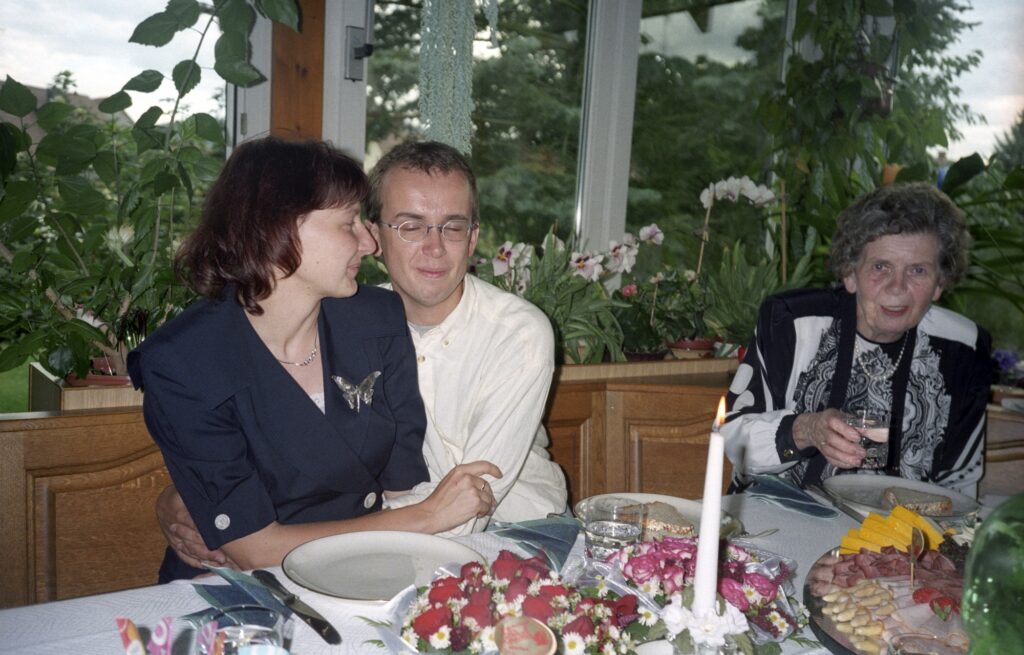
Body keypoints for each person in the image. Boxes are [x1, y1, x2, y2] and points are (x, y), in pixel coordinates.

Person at [131, 137, 499, 581]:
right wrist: (427, 516)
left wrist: (416, 523)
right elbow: (253, 550)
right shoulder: (184, 363)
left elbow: (401, 484)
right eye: (348, 224)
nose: (369, 243)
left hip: (365, 567)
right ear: (278, 228)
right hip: (241, 589)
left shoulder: (377, 319)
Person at [722, 182, 991, 497]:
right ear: (850, 274)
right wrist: (805, 429)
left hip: (903, 524)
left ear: (940, 283)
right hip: (778, 515)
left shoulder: (964, 349)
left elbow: (959, 486)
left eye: (918, 270)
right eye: (880, 267)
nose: (897, 287)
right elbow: (733, 440)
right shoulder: (792, 322)